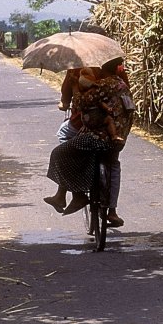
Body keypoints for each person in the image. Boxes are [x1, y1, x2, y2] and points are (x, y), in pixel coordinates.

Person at [44, 58, 133, 224]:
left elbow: (78, 102)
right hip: (119, 137)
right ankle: (111, 211)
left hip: (97, 135)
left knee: (61, 151)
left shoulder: (91, 76)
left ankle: (73, 194)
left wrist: (74, 87)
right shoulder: (121, 82)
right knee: (113, 164)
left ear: (103, 67)